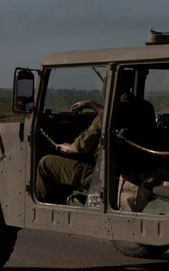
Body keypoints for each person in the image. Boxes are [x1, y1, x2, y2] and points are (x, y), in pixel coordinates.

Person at [35, 71, 154, 204]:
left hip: (106, 178)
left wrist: (66, 146)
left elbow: (81, 146)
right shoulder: (146, 108)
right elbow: (118, 112)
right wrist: (91, 104)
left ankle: (38, 207)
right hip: (138, 172)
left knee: (45, 163)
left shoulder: (108, 115)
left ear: (110, 87)